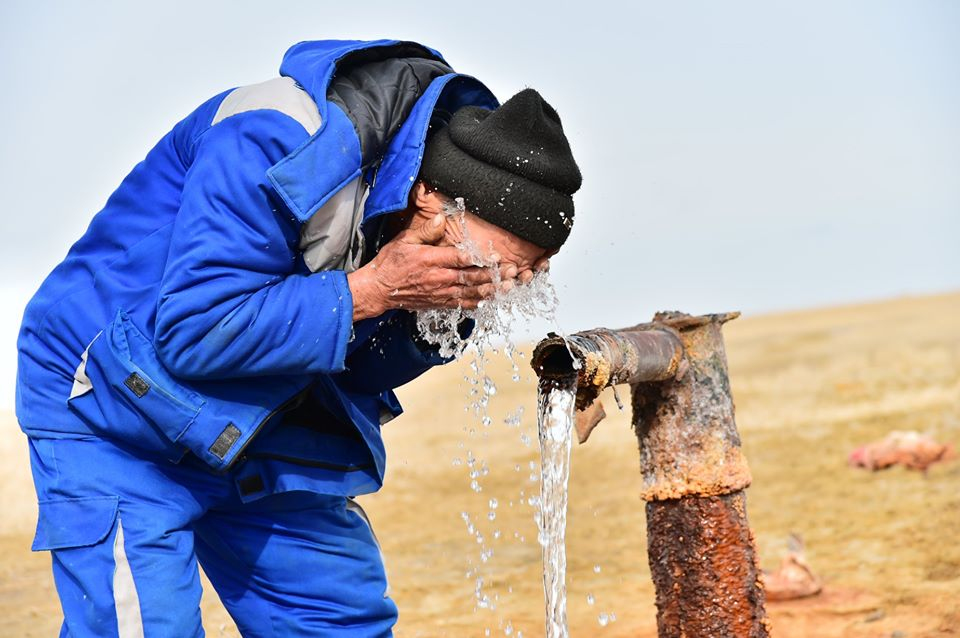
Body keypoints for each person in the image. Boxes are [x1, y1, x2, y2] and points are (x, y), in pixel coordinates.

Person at [16, 39, 581, 637]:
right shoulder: (276, 136)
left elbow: (357, 369)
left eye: (523, 274)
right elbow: (194, 332)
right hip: (112, 402)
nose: (501, 285)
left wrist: (426, 322)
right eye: (493, 267)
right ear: (432, 201)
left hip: (266, 415)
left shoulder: (414, 221)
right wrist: (376, 290)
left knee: (341, 625)